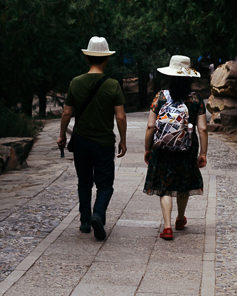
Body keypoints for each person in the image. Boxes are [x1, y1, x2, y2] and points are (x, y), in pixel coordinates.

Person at [57, 36, 127, 240]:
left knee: (84, 182)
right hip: (104, 143)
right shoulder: (113, 85)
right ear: (107, 59)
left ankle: (85, 222)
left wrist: (62, 136)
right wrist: (123, 140)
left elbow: (66, 113)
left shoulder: (76, 82)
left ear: (87, 58)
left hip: (80, 141)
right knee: (105, 184)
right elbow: (121, 117)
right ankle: (98, 214)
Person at [143, 55, 208, 240]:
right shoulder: (196, 99)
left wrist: (147, 148)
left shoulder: (160, 96)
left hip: (162, 148)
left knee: (165, 186)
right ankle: (180, 219)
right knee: (183, 183)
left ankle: (167, 227)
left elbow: (150, 126)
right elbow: (203, 129)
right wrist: (203, 153)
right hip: (187, 148)